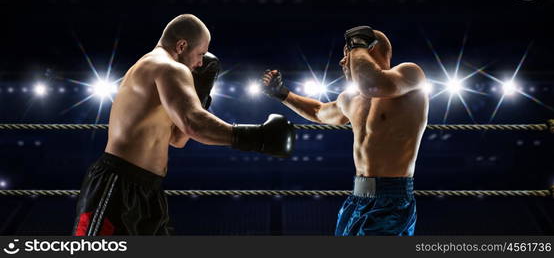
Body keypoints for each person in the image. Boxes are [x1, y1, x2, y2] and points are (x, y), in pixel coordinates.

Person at [73, 14, 295, 236]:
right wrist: (259, 138)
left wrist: (201, 92)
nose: (200, 63)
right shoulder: (167, 67)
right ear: (181, 45)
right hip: (118, 185)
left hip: (147, 189)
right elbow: (192, 123)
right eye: (199, 54)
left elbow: (178, 138)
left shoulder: (155, 66)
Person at [261, 26, 428, 235]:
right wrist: (283, 94)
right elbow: (319, 111)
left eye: (346, 54)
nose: (342, 62)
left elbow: (373, 85)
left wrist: (357, 46)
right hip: (356, 198)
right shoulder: (352, 99)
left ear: (369, 49)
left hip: (392, 198)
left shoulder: (410, 74)